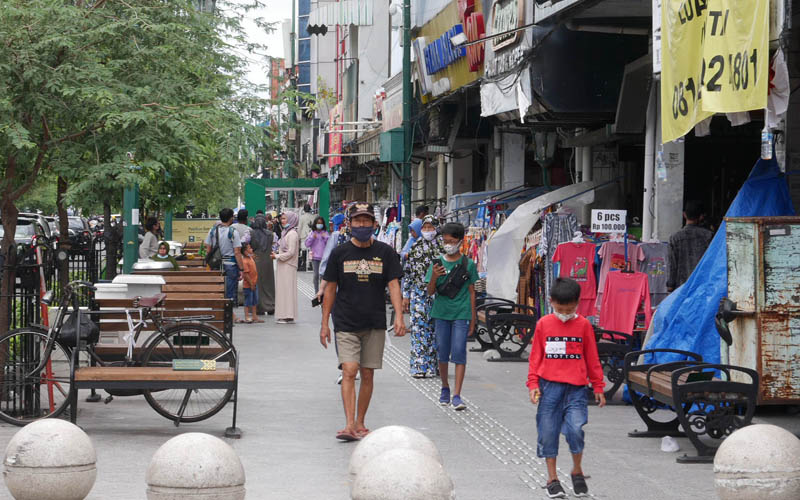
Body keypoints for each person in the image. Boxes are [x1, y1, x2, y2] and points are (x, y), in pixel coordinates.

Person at [320, 202, 406, 441]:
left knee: (368, 373)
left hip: (374, 322)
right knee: (349, 370)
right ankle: (348, 424)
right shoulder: (340, 253)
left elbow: (394, 285)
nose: (361, 225)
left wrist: (399, 316)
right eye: (357, 221)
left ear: (374, 224)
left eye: (366, 221)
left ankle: (360, 421)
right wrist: (324, 322)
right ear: (349, 224)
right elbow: (330, 289)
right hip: (345, 321)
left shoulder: (386, 252)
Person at [527, 278, 606, 498]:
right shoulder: (543, 324)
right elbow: (535, 357)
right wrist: (533, 384)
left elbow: (592, 357)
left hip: (577, 389)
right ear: (551, 302)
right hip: (549, 387)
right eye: (560, 309)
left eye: (569, 309)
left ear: (577, 304)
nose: (564, 313)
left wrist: (598, 386)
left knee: (576, 429)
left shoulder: (584, 326)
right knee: (548, 433)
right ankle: (552, 478)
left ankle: (577, 470)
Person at [426, 222, 479, 410]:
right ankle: (445, 387)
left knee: (459, 351)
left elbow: (472, 292)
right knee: (442, 351)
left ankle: (457, 395)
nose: (448, 244)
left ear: (459, 241)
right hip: (441, 313)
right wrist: (434, 276)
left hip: (461, 313)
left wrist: (473, 318)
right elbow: (430, 291)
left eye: (451, 240)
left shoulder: (468, 264)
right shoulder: (436, 263)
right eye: (445, 240)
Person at [402, 215, 443, 378]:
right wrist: (406, 295)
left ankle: (435, 365)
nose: (427, 231)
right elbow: (408, 272)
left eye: (430, 227)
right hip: (419, 294)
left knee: (436, 329)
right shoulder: (415, 247)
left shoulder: (443, 248)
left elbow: (450, 270)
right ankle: (419, 366)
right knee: (419, 329)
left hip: (440, 294)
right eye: (424, 228)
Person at [204, 208, 244, 318]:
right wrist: (241, 268)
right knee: (230, 291)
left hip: (216, 265)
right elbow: (237, 252)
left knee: (217, 289)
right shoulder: (233, 232)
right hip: (230, 264)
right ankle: (230, 315)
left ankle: (217, 312)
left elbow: (208, 249)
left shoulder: (212, 231)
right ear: (231, 218)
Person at [667, 200, 714, 291]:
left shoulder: (674, 238)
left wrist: (670, 285)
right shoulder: (708, 236)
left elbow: (672, 265)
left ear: (684, 215)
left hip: (681, 288)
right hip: (702, 286)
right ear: (700, 217)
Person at [272, 212, 299, 323]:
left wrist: (277, 256)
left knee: (287, 290)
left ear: (291, 220)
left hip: (288, 265)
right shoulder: (286, 232)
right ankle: (287, 314)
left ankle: (287, 315)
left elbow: (291, 252)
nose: (283, 221)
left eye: (285, 219)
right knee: (284, 290)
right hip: (284, 265)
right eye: (282, 219)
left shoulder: (292, 234)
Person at [250, 214, 276, 315]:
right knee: (269, 283)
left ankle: (259, 307)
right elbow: (274, 245)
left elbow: (244, 244)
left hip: (256, 260)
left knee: (258, 284)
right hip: (268, 260)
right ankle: (271, 306)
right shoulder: (271, 234)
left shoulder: (251, 233)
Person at [305, 216, 330, 293]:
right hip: (315, 257)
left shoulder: (325, 233)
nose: (319, 225)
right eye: (318, 223)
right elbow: (307, 244)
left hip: (324, 258)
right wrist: (312, 238)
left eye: (321, 223)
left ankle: (322, 292)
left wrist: (325, 238)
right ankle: (316, 291)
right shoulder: (312, 233)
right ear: (315, 224)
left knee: (322, 276)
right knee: (316, 275)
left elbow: (329, 244)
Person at [240, 241, 262, 324]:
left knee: (254, 301)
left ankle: (254, 316)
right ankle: (247, 316)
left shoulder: (250, 258)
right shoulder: (245, 261)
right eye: (249, 248)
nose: (251, 249)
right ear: (245, 251)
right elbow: (246, 274)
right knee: (248, 301)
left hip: (254, 284)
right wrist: (251, 283)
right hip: (248, 285)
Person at [298, 204, 316, 271]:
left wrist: (298, 236)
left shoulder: (302, 217)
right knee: (311, 250)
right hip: (312, 235)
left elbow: (300, 227)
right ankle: (311, 264)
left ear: (304, 210)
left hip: (304, 235)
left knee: (304, 250)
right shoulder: (313, 217)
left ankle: (304, 264)